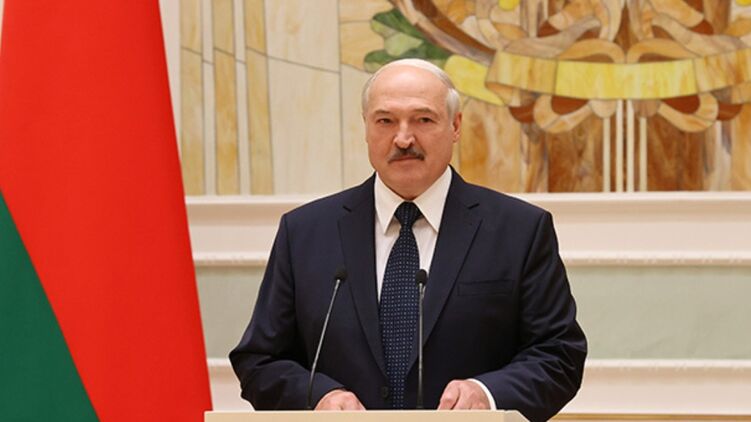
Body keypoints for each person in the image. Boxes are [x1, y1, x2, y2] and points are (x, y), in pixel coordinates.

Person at [230, 58, 587, 421]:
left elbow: (559, 355)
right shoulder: (305, 232)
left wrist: (488, 394)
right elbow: (260, 359)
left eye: (423, 120)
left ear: (455, 126)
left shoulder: (520, 230)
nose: (403, 139)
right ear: (366, 128)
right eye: (385, 121)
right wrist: (319, 396)